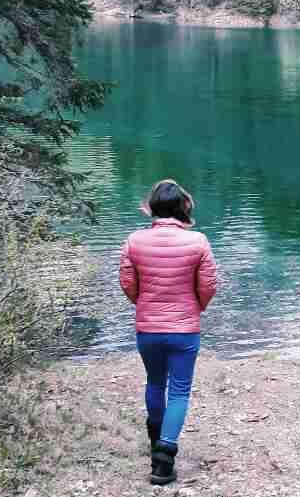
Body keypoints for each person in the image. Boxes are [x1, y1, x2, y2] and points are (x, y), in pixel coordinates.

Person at [119, 179, 218, 485]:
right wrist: (194, 309)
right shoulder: (198, 242)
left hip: (147, 328)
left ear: (153, 207)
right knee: (178, 391)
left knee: (155, 383)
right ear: (182, 207)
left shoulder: (134, 241)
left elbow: (127, 282)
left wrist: (144, 305)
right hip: (184, 330)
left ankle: (155, 443)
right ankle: (164, 458)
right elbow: (209, 285)